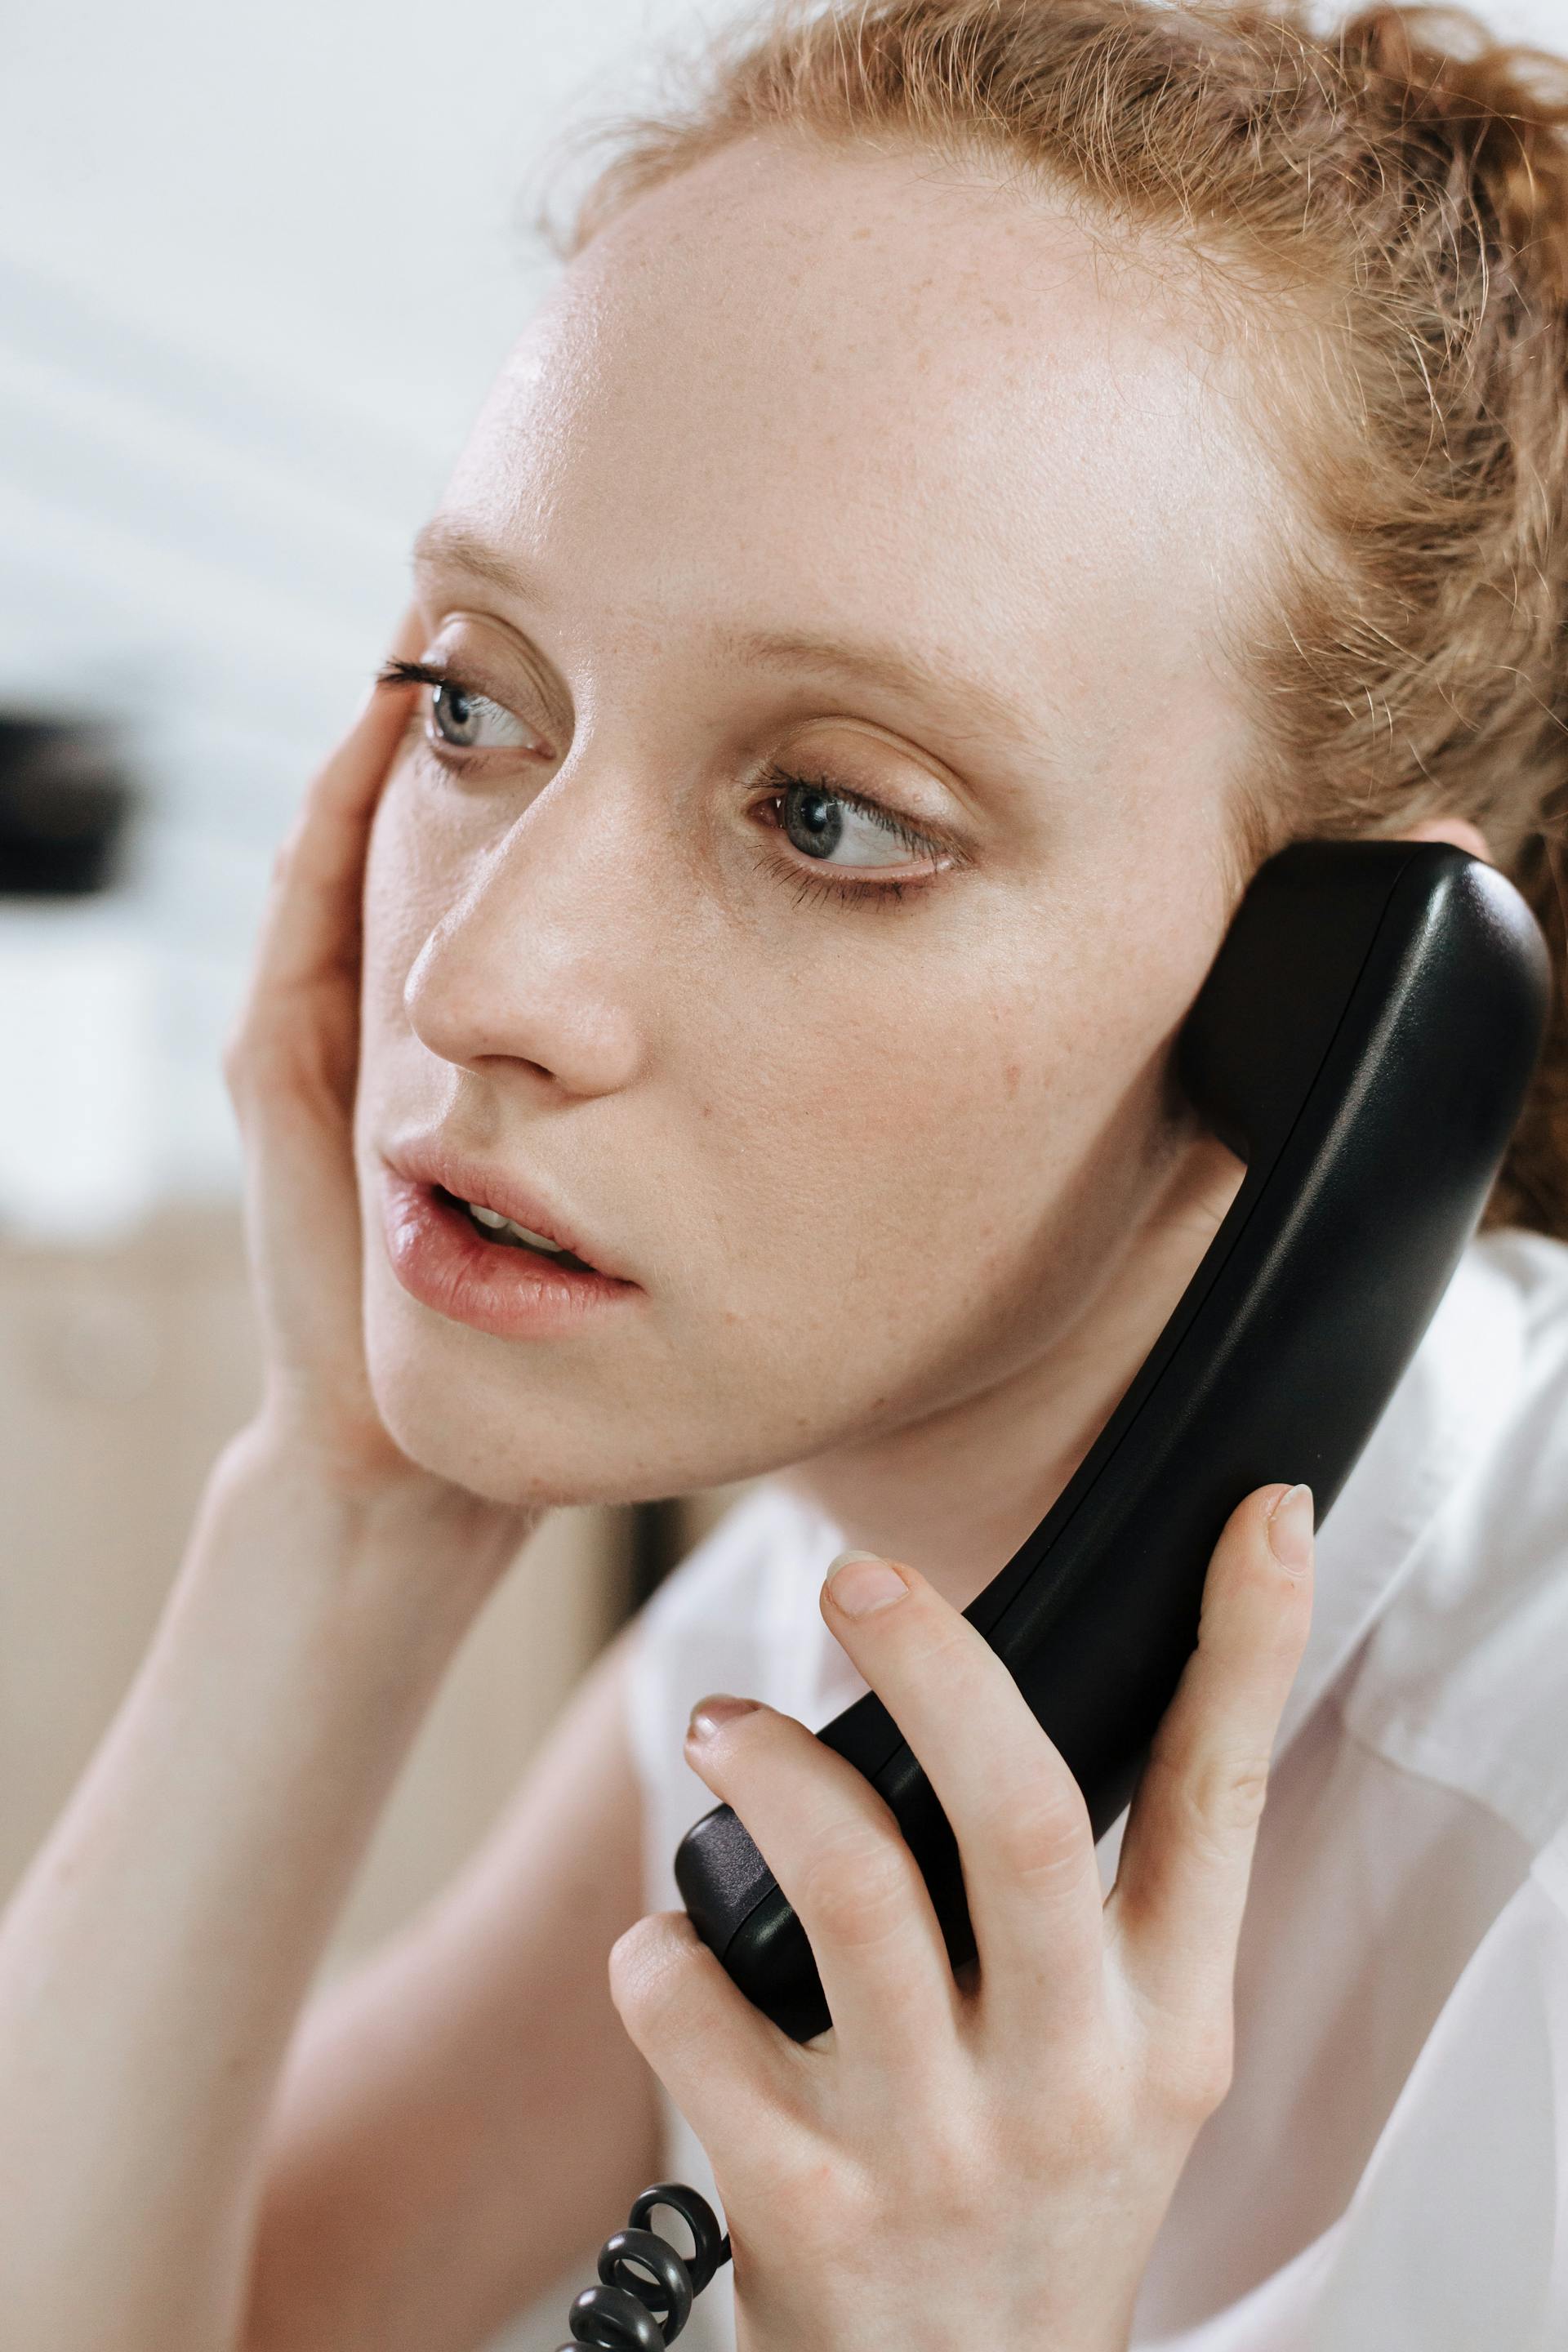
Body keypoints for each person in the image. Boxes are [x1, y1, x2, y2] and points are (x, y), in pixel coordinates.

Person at [2, 1, 1566, 2345]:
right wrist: (342, 1506)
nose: (482, 982)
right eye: (473, 696)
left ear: (1345, 1016)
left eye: (830, 816)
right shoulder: (839, 1641)